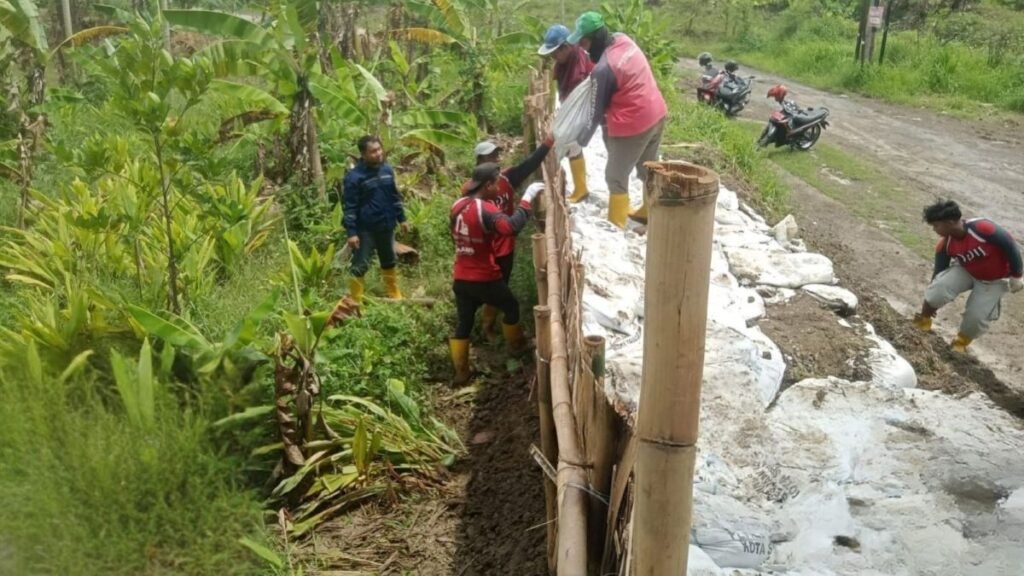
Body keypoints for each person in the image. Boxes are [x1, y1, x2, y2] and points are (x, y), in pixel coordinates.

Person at [567, 10, 667, 228]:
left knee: (615, 176)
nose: (582, 48)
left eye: (584, 42)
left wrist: (579, 141)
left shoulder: (604, 69)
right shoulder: (624, 39)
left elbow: (595, 113)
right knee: (647, 167)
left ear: (595, 38)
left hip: (634, 123)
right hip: (657, 112)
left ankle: (616, 224)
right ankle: (649, 212)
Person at [449, 164, 544, 384]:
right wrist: (527, 200)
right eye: (497, 182)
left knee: (463, 322)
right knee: (510, 306)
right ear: (488, 184)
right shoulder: (485, 209)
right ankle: (517, 346)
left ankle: (461, 372)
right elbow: (510, 228)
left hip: (461, 275)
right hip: (484, 276)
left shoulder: (457, 205)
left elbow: (454, 234)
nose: (499, 186)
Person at [464, 136, 553, 339]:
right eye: (490, 157)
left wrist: (548, 144)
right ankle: (490, 330)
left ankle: (488, 324)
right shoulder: (470, 191)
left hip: (505, 246)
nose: (496, 159)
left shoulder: (506, 179)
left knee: (500, 285)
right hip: (484, 249)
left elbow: (529, 164)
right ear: (479, 161)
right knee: (490, 289)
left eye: (496, 155)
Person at [913, 200, 1023, 352]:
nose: (934, 229)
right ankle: (922, 322)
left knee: (976, 319)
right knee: (937, 289)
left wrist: (1017, 275)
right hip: (966, 270)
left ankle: (960, 343)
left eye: (936, 225)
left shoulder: (983, 228)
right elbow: (938, 273)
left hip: (994, 280)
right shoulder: (945, 245)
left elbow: (1010, 246)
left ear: (950, 222)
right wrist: (932, 302)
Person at [341, 135, 409, 303]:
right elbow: (350, 207)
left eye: (379, 149)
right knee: (360, 265)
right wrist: (351, 233)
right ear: (363, 155)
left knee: (389, 260)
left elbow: (394, 197)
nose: (378, 154)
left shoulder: (387, 170)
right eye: (373, 151)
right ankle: (355, 301)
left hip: (386, 225)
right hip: (365, 229)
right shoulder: (354, 177)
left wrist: (402, 219)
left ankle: (393, 294)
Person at [538, 23, 595, 203]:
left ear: (566, 47)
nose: (554, 56)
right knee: (573, 146)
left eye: (556, 52)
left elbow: (579, 90)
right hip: (571, 107)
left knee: (572, 144)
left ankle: (581, 188)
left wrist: (568, 115)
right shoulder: (564, 61)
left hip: (580, 109)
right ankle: (581, 187)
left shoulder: (579, 61)